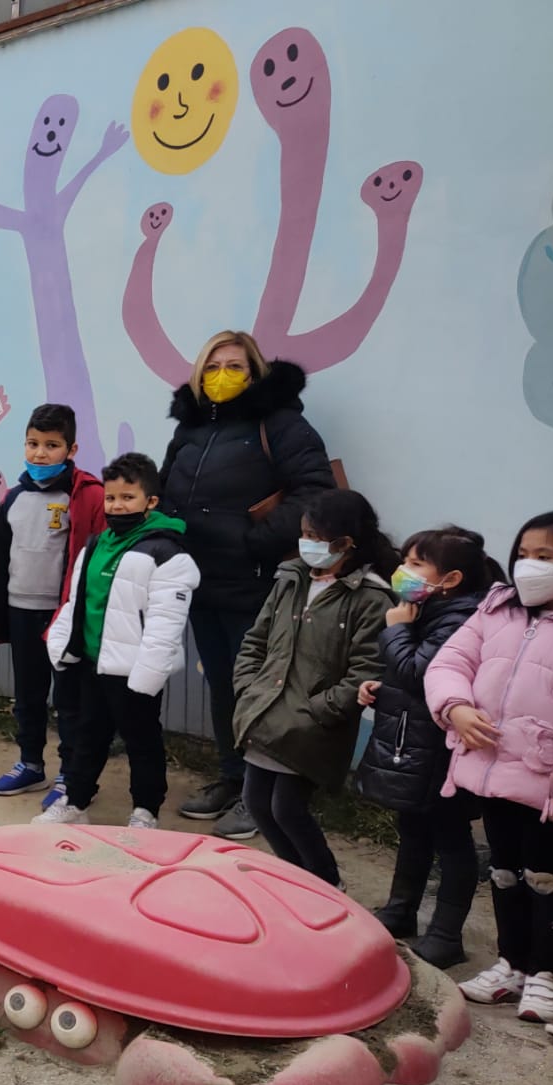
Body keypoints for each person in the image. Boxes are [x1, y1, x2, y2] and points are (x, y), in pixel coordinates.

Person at [159, 331, 337, 841]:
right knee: (222, 684)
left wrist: (255, 541)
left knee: (258, 688)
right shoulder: (190, 429)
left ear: (254, 372)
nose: (222, 374)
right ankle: (233, 777)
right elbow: (169, 489)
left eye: (235, 365)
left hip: (255, 583)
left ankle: (261, 796)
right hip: (199, 579)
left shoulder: (281, 424)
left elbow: (315, 492)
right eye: (213, 365)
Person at [353, 525, 502, 968]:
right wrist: (382, 687)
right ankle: (401, 912)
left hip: (446, 751)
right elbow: (412, 679)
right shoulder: (429, 610)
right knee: (414, 829)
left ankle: (446, 935)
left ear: (451, 579)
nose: (403, 571)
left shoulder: (461, 618)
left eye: (416, 564)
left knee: (452, 841)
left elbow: (424, 673)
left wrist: (395, 632)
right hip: (416, 741)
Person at [428, 510, 553, 1030]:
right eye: (523, 554)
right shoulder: (496, 608)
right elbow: (449, 663)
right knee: (503, 870)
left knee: (545, 875)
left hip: (545, 780)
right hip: (493, 769)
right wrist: (455, 706)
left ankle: (547, 973)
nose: (529, 566)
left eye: (544, 558)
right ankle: (513, 964)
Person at [232, 489, 394, 888]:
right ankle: (295, 879)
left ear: (348, 543)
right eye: (307, 534)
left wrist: (320, 710)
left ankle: (325, 882)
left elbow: (366, 669)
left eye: (321, 538)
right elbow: (256, 640)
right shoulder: (290, 579)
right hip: (266, 709)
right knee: (257, 804)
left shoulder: (371, 597)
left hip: (311, 726)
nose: (310, 545)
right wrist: (248, 688)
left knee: (287, 808)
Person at [34, 453, 199, 828]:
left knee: (142, 742)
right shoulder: (95, 546)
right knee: (86, 736)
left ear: (151, 502)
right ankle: (75, 803)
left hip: (135, 671)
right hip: (94, 664)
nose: (117, 505)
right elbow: (76, 603)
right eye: (111, 498)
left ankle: (145, 811)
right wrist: (61, 645)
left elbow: (165, 622)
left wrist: (148, 674)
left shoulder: (166, 553)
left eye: (128, 498)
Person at [0, 403, 104, 807]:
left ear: (72, 448)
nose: (40, 453)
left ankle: (71, 775)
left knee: (69, 698)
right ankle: (30, 763)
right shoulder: (14, 497)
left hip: (62, 615)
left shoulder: (83, 495)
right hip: (20, 611)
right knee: (28, 694)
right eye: (33, 444)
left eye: (51, 445)